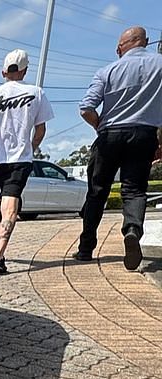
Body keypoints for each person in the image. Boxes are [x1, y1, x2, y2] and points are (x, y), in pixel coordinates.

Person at [75, 26, 162, 272]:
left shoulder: (107, 70)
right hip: (144, 133)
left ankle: (85, 248)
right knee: (134, 190)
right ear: (144, 42)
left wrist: (99, 125)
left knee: (97, 191)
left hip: (110, 134)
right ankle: (132, 231)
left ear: (122, 47)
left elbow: (86, 108)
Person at [0, 49, 54, 274]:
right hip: (19, 159)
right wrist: (32, 147)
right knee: (10, 203)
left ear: (3, 72)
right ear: (25, 70)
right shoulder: (36, 93)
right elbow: (41, 129)